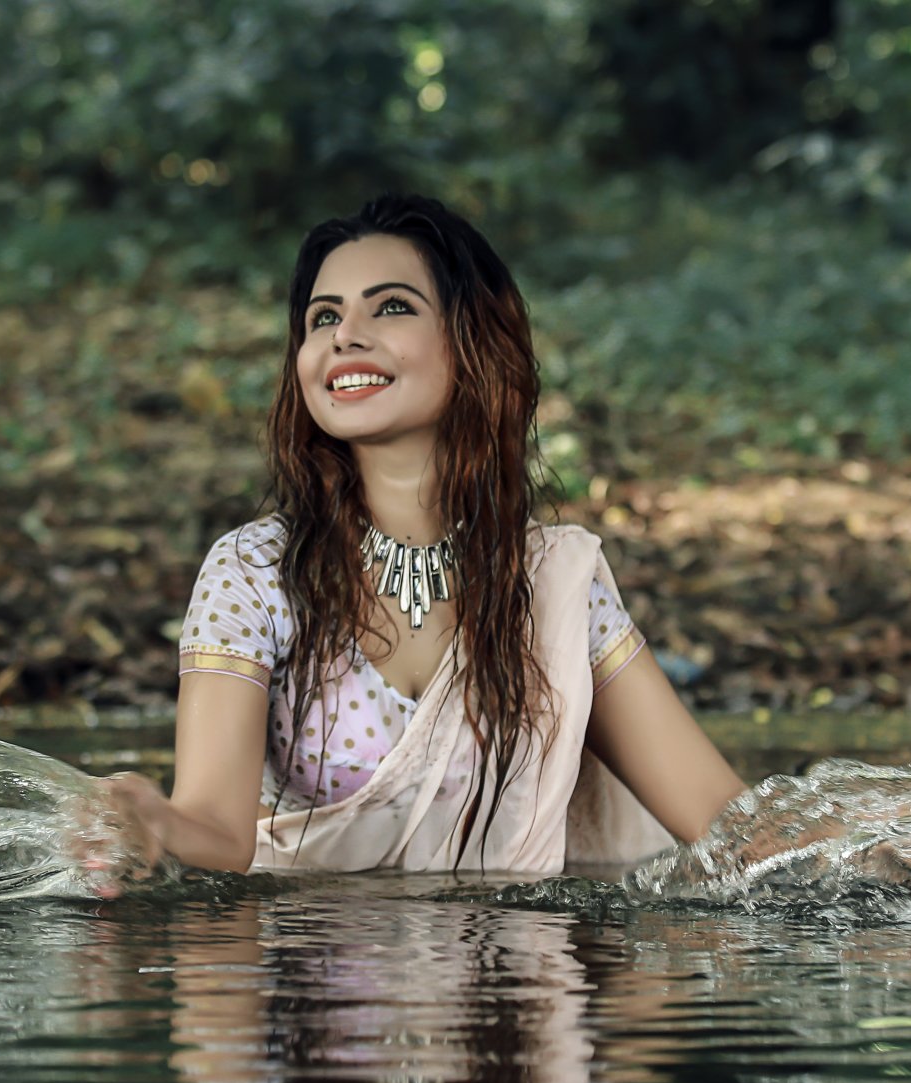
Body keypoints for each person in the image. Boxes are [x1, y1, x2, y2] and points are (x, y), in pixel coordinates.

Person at [77, 193, 751, 893]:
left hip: (510, 981)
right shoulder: (254, 574)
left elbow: (726, 824)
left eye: (391, 306)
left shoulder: (553, 582)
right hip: (304, 966)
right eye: (324, 316)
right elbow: (216, 828)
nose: (345, 335)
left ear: (473, 342)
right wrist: (147, 815)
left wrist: (862, 833)